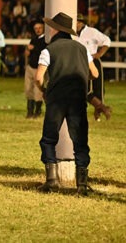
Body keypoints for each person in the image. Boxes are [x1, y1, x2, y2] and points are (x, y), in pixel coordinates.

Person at [35, 12, 111, 195]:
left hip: (56, 100)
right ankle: (82, 185)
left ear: (55, 29)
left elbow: (38, 78)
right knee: (80, 141)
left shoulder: (48, 50)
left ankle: (52, 181)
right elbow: (95, 74)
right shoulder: (82, 49)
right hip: (77, 100)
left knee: (49, 139)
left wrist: (44, 90)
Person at [75, 14, 110, 116]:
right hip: (79, 62)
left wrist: (99, 54)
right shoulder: (72, 34)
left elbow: (107, 41)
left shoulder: (92, 31)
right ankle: (102, 108)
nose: (76, 24)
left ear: (82, 23)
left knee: (98, 87)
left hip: (93, 61)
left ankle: (99, 111)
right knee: (84, 88)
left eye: (78, 22)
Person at [24, 20, 47, 118]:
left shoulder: (46, 40)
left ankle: (37, 111)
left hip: (39, 67)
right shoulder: (34, 39)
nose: (37, 30)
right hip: (31, 66)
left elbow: (44, 51)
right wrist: (28, 52)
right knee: (28, 89)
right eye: (36, 28)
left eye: (39, 28)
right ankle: (30, 111)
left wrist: (33, 48)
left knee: (38, 91)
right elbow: (29, 51)